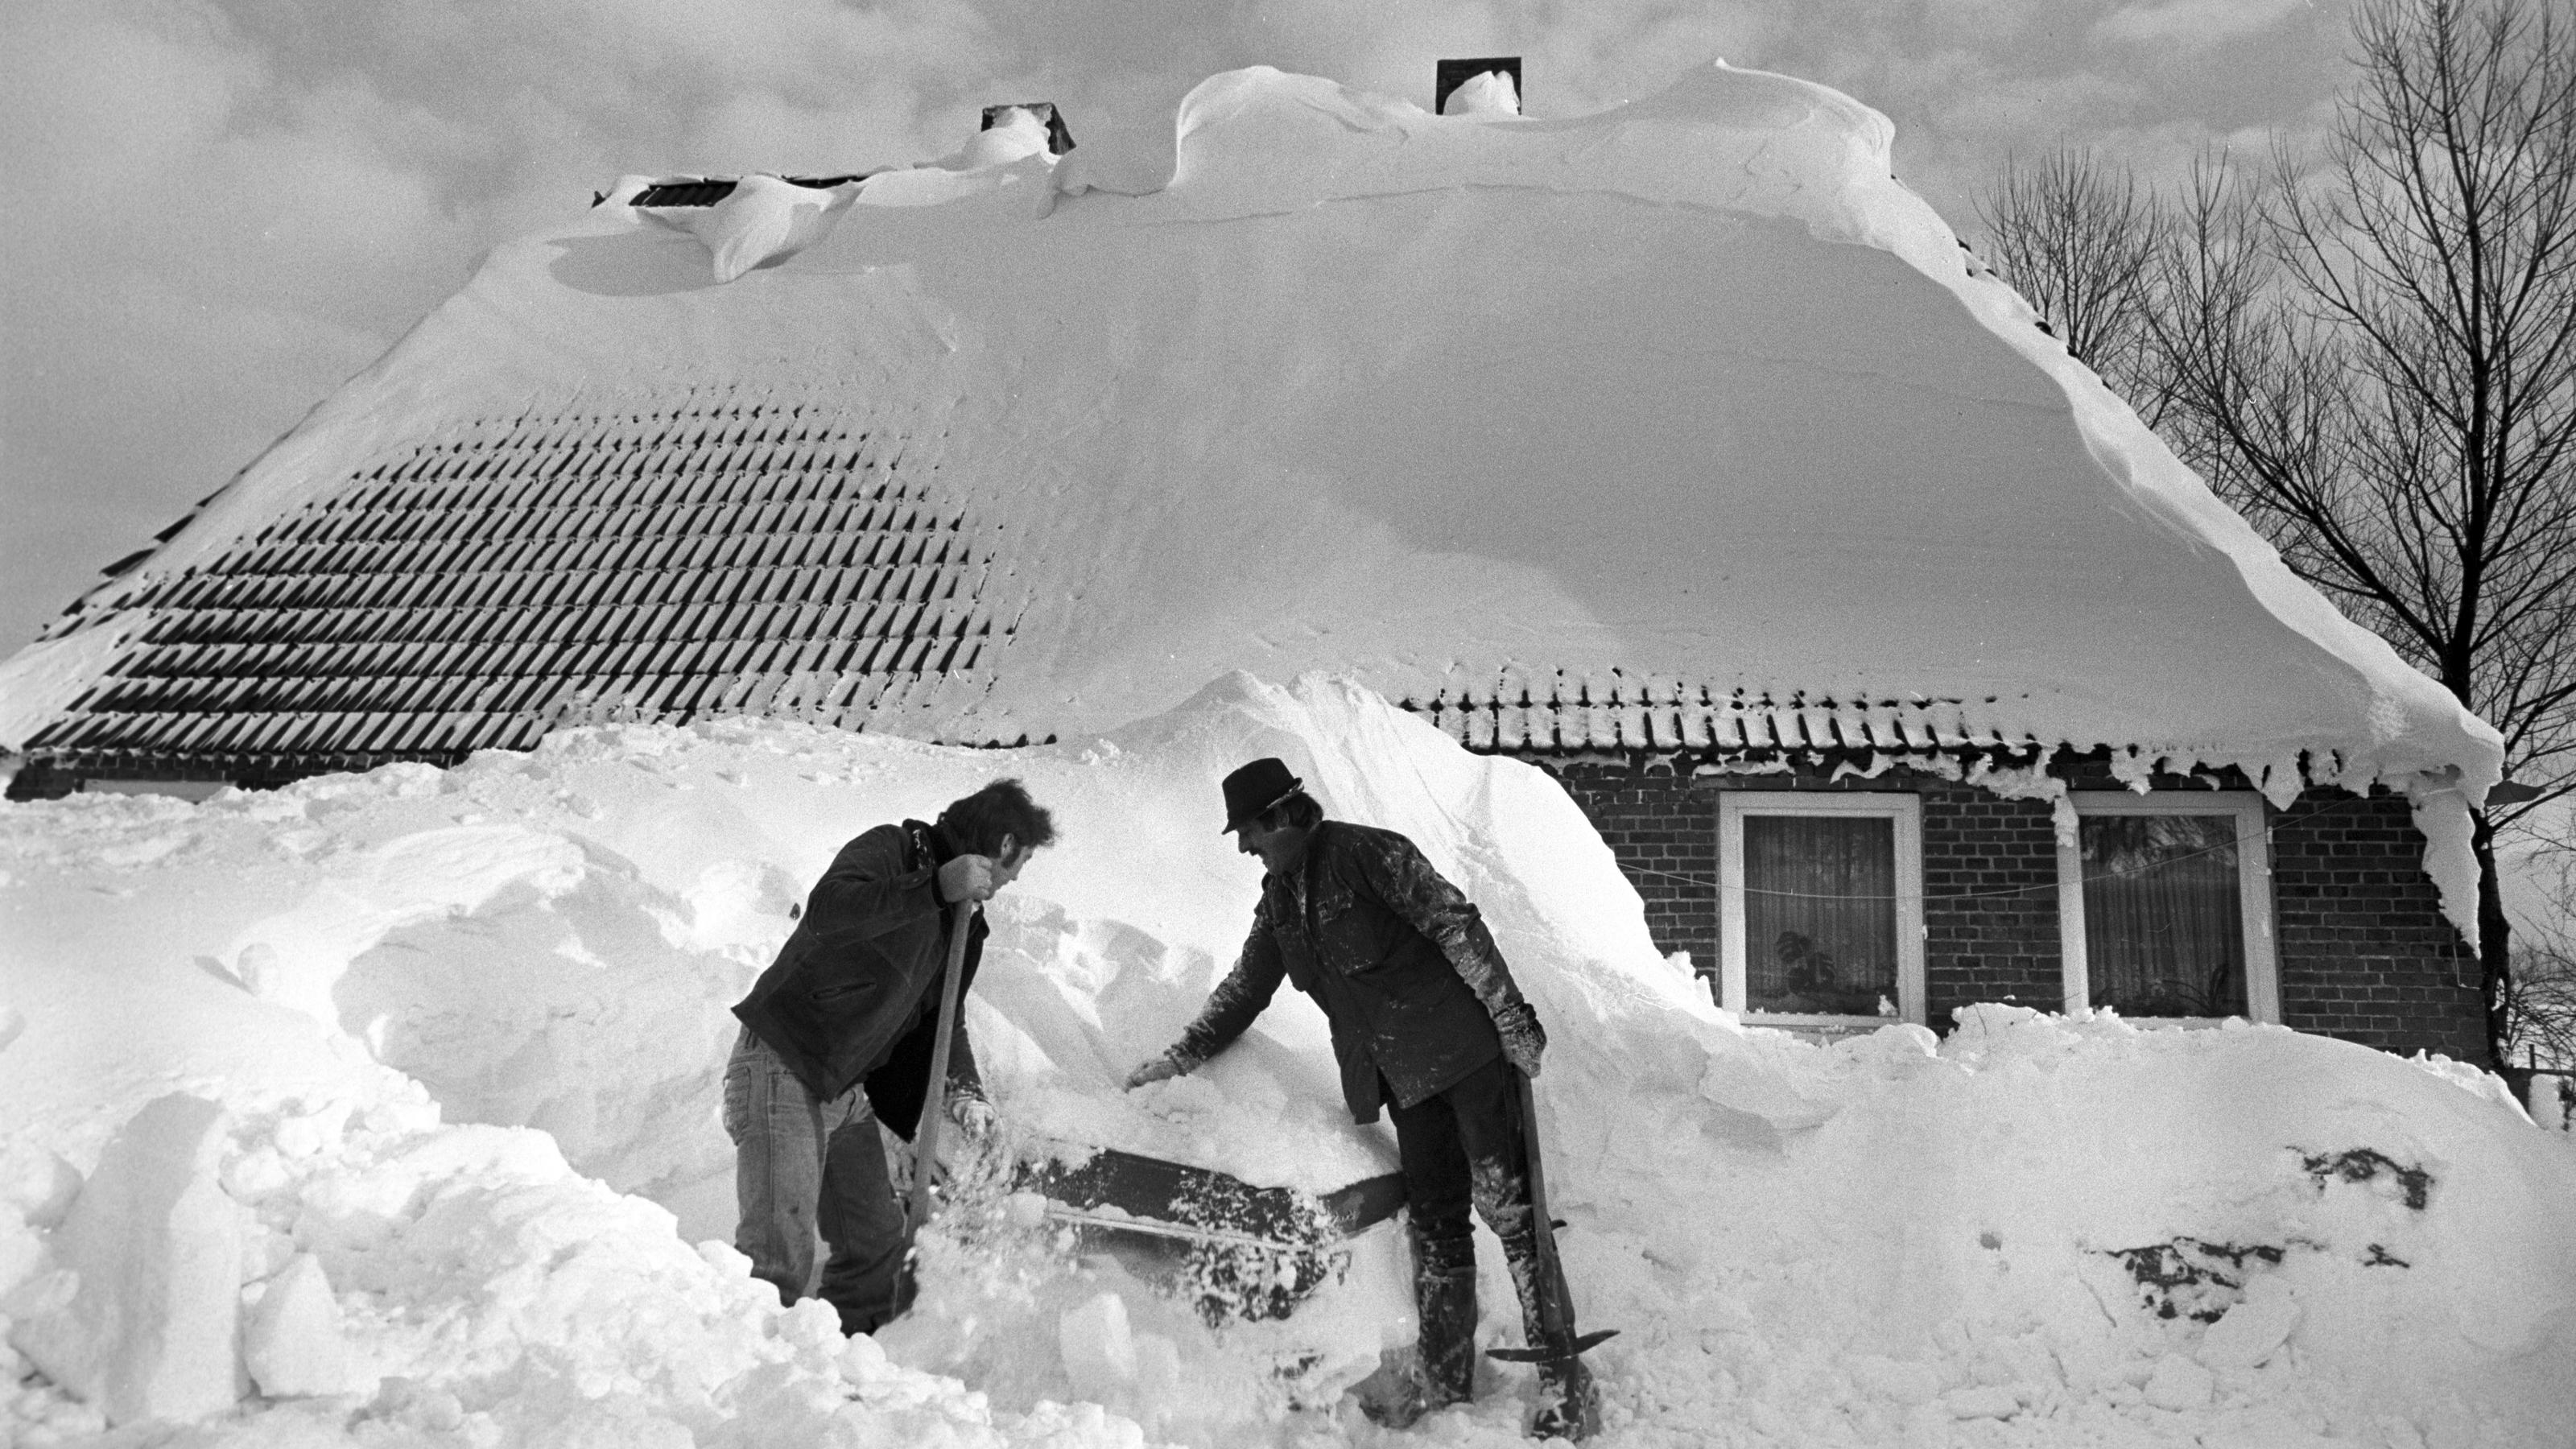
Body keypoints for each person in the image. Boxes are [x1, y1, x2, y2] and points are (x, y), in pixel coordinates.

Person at [1124, 758, 1597, 1438]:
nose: (1243, 846)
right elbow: (1246, 987)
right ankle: (1445, 1383)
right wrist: (1182, 1054)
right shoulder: (1281, 899)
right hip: (1402, 1082)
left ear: (1283, 815)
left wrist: (1512, 1018)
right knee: (1437, 1223)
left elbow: (1455, 926)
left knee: (1512, 1211)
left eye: (1248, 830)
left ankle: (1564, 1384)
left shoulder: (1368, 853)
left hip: (1465, 1059)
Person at [726, 778, 1055, 1335]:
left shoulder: (965, 927)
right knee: (778, 1261)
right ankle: (747, 1388)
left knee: (876, 1245)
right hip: (783, 1061)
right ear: (1003, 846)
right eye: (1020, 861)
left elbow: (942, 1024)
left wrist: (966, 1093)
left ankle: (839, 1372)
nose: (1015, 878)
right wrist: (931, 887)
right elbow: (829, 910)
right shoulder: (893, 850)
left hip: (842, 1090)